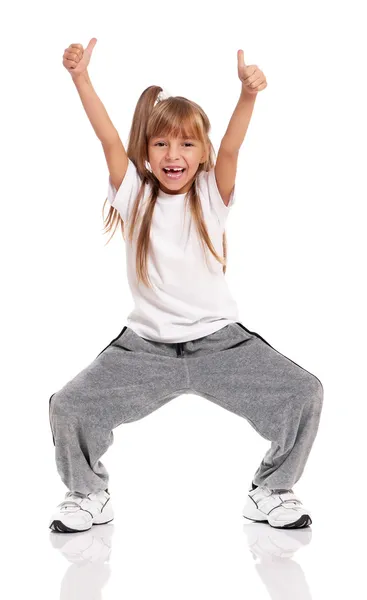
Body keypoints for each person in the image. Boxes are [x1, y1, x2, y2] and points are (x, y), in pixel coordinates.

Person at [49, 39, 323, 534]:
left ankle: (271, 490)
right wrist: (81, 79)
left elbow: (235, 145)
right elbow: (110, 140)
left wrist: (247, 95)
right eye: (161, 144)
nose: (174, 155)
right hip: (145, 351)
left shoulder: (210, 194)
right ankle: (88, 493)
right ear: (148, 154)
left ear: (201, 154)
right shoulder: (133, 195)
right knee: (68, 405)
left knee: (304, 392)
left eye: (187, 144)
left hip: (221, 344)